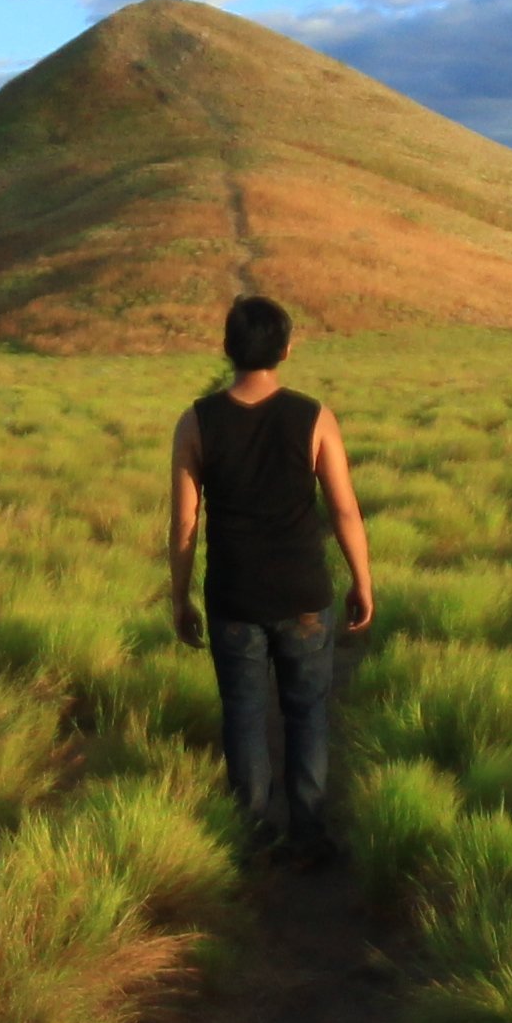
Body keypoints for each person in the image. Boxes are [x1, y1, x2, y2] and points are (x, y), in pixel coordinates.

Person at [168, 292, 374, 866]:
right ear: (285, 348)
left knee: (244, 711)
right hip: (303, 592)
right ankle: (309, 834)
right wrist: (362, 580)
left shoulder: (196, 421)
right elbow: (345, 510)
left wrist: (181, 596)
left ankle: (253, 837)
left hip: (233, 593)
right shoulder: (314, 417)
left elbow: (185, 521)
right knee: (307, 711)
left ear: (227, 348)